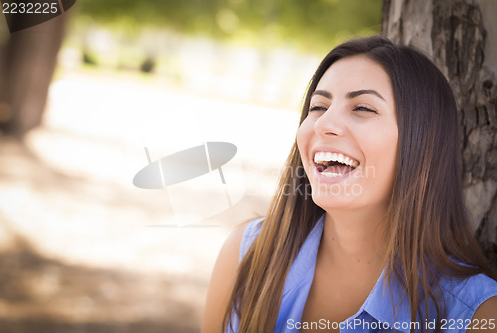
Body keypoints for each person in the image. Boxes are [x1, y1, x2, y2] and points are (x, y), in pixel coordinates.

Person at [201, 36, 497, 333]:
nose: (323, 124)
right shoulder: (245, 254)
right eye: (318, 106)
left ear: (422, 144)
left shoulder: (478, 316)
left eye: (362, 108)